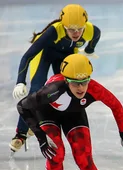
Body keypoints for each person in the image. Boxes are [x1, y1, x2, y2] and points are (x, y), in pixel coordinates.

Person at [10, 4, 101, 154]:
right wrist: (20, 81)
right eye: (71, 29)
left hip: (65, 56)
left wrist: (90, 50)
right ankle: (20, 134)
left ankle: (42, 120)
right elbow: (27, 56)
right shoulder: (53, 32)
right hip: (44, 54)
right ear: (64, 27)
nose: (76, 33)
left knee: (66, 89)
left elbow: (96, 36)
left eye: (80, 28)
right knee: (37, 90)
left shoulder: (91, 30)